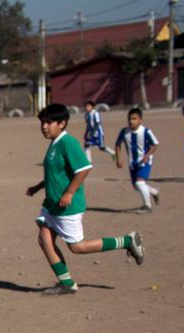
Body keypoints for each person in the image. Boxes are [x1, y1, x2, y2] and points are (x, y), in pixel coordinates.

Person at [25, 104, 144, 296]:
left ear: (62, 123)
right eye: (42, 123)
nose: (44, 127)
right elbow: (55, 174)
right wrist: (38, 187)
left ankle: (126, 241)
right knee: (44, 239)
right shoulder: (55, 143)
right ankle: (67, 283)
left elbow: (84, 169)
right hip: (52, 204)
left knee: (77, 247)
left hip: (67, 206)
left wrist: (69, 193)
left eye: (49, 122)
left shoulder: (67, 142)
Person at [114, 107, 161, 212]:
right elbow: (117, 145)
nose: (131, 121)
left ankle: (147, 206)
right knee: (137, 187)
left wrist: (147, 155)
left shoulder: (146, 131)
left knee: (139, 183)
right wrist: (118, 159)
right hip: (132, 163)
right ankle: (154, 192)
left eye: (134, 119)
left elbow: (155, 145)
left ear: (140, 120)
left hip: (145, 162)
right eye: (130, 119)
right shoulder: (124, 131)